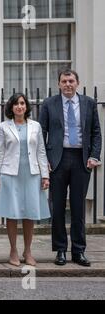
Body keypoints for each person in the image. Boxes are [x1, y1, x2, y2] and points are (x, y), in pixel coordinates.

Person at [39, 69, 102, 267]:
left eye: (71, 81)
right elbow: (41, 133)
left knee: (78, 207)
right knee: (57, 207)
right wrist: (44, 161)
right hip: (57, 159)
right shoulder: (49, 104)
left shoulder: (89, 103)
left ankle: (78, 251)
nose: (68, 84)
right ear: (58, 84)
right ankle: (60, 250)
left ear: (77, 83)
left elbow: (96, 133)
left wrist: (94, 156)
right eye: (64, 81)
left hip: (81, 159)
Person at [0, 93, 50, 266]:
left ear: (26, 106)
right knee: (12, 214)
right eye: (16, 104)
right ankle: (13, 250)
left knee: (30, 213)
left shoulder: (36, 126)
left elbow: (41, 151)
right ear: (11, 107)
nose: (20, 106)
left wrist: (45, 175)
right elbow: (0, 153)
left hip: (32, 174)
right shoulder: (3, 127)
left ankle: (28, 250)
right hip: (10, 174)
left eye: (22, 103)